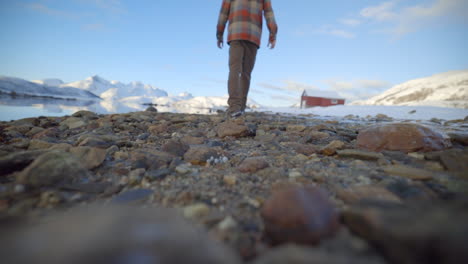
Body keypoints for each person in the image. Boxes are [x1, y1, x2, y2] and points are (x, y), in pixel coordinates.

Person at [217, 0, 278, 118]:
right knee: (246, 73)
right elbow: (269, 13)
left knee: (235, 70)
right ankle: (241, 108)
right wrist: (273, 34)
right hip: (253, 35)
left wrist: (219, 34)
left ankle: (234, 108)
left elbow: (223, 13)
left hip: (236, 33)